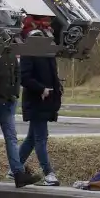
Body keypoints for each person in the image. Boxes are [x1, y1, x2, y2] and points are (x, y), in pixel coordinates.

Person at [0, 44, 42, 188]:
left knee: (11, 137)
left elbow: (17, 74)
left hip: (7, 102)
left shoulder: (11, 54)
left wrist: (14, 94)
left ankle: (18, 174)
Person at [17, 23, 63, 186]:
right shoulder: (30, 51)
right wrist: (42, 89)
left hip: (45, 100)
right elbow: (24, 77)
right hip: (37, 101)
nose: (51, 34)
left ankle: (14, 167)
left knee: (32, 138)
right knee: (40, 138)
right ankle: (48, 173)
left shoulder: (47, 52)